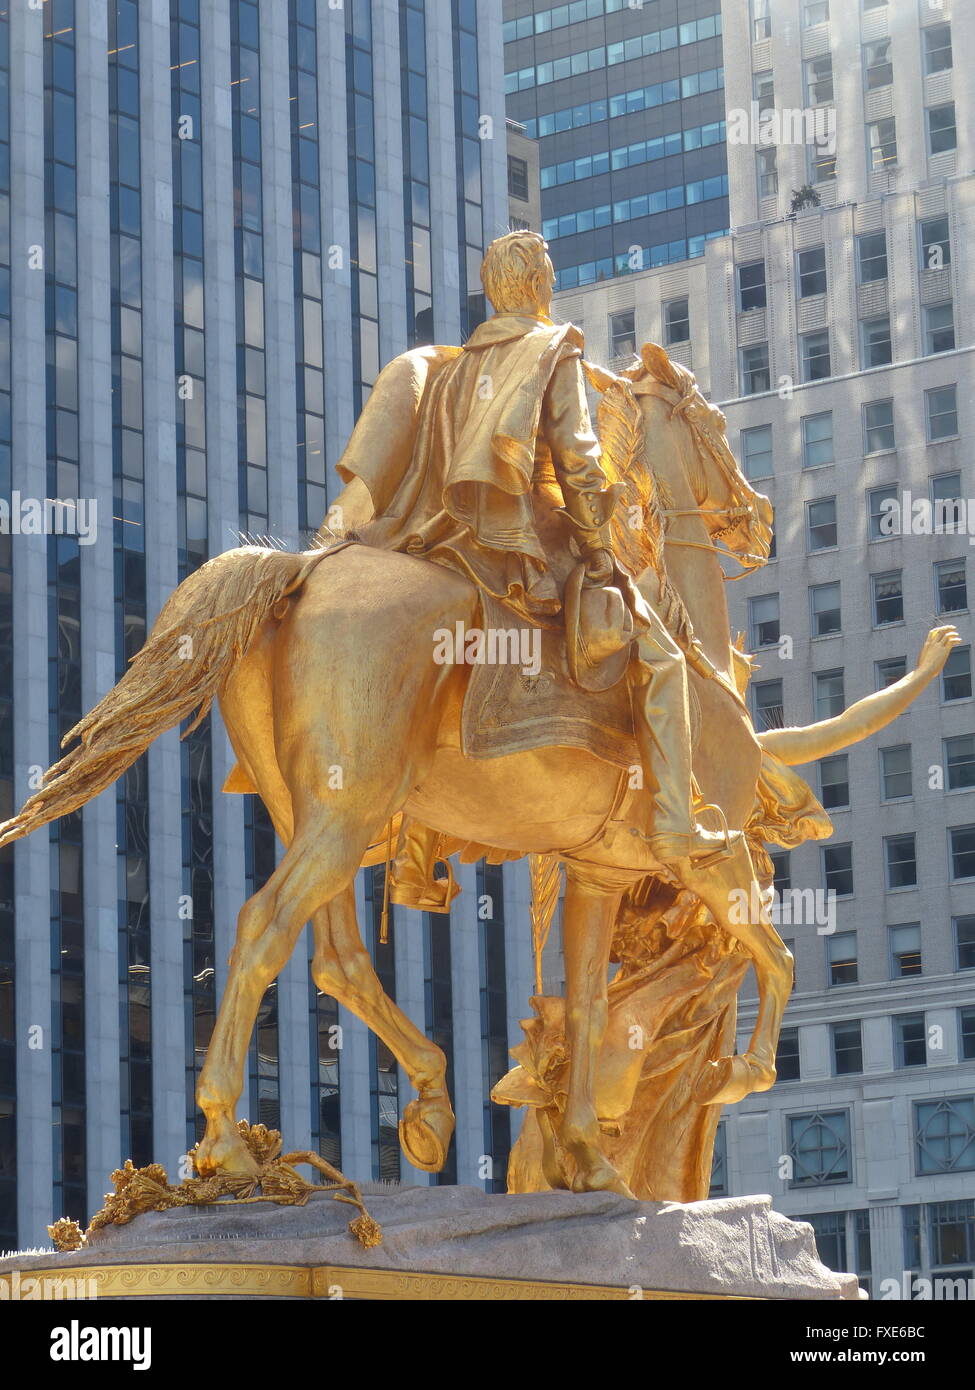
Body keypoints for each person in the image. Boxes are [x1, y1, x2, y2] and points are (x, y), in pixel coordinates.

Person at [327, 230, 732, 908]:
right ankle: (674, 823)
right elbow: (578, 461)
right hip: (526, 537)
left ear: (493, 292)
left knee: (434, 675)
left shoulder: (453, 367)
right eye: (547, 278)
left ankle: (414, 851)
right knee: (662, 658)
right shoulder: (553, 349)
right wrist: (599, 546)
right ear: (541, 286)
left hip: (441, 537)